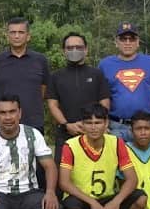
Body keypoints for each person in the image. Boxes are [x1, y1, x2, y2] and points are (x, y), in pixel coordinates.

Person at [58, 104, 146, 209]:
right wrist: (93, 203)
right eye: (89, 123)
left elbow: (132, 179)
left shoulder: (116, 143)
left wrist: (116, 202)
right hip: (82, 201)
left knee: (141, 198)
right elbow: (64, 183)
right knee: (71, 208)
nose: (94, 127)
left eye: (98, 123)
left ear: (106, 123)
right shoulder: (70, 145)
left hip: (107, 200)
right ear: (83, 125)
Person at [46, 32, 112, 160]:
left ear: (86, 50)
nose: (74, 50)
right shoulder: (56, 76)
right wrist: (66, 125)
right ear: (63, 51)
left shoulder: (97, 74)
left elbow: (104, 101)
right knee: (64, 174)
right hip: (65, 133)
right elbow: (52, 105)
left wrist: (100, 124)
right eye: (70, 48)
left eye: (78, 47)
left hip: (94, 133)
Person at [98, 22, 150, 143]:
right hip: (116, 126)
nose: (128, 42)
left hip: (145, 126)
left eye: (132, 39)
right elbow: (102, 97)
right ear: (116, 42)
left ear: (138, 42)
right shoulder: (105, 64)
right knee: (116, 161)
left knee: (144, 161)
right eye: (123, 39)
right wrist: (103, 123)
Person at [0, 18, 49, 133]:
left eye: (21, 32)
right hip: (5, 124)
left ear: (28, 36)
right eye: (13, 32)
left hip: (34, 122)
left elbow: (43, 90)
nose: (16, 36)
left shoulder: (40, 60)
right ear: (7, 36)